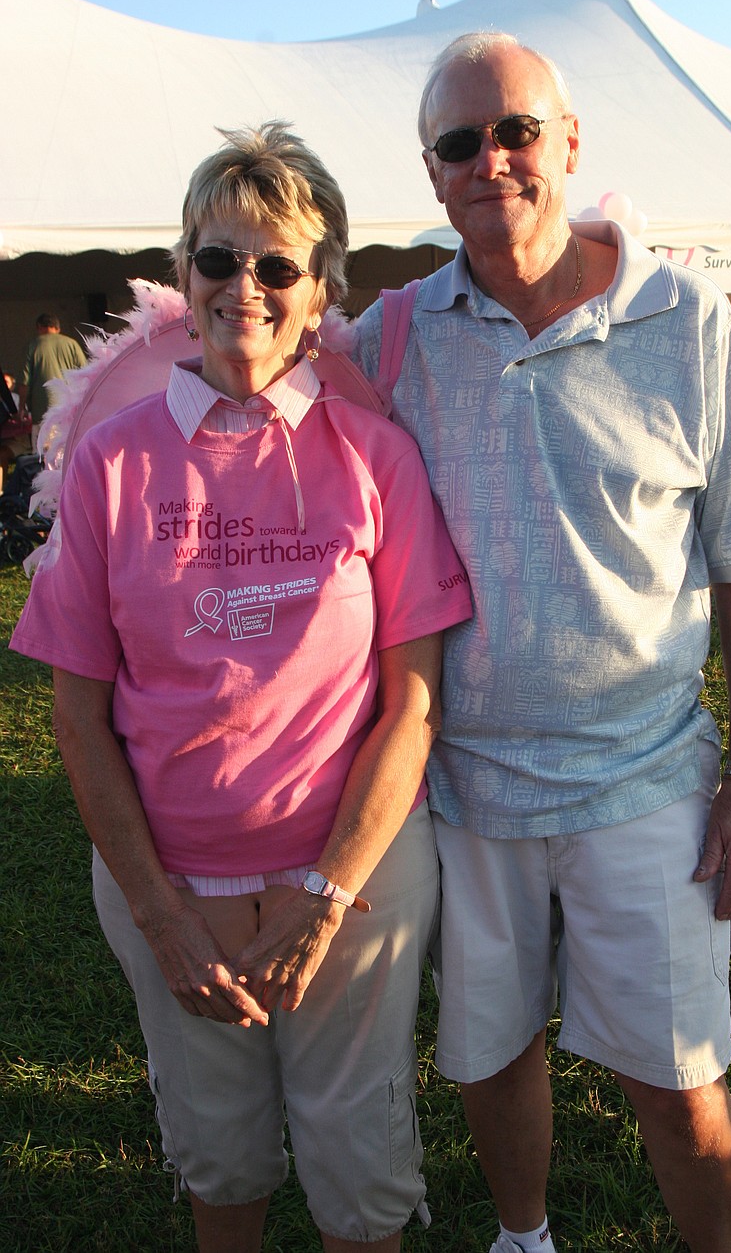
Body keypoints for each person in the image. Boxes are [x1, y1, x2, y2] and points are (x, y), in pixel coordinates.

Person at [353, 31, 731, 1253]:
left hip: (646, 778)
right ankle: (524, 1240)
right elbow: (264, 394)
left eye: (514, 132)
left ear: (567, 143)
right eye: (460, 142)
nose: (491, 160)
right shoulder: (393, 337)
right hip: (462, 788)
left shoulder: (687, 318)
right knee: (490, 1057)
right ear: (434, 173)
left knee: (677, 1083)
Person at [11, 122, 472, 1253]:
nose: (245, 289)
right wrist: (164, 917)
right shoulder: (113, 461)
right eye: (218, 259)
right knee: (218, 1156)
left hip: (355, 884)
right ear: (182, 275)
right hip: (169, 885)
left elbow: (412, 702)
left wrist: (322, 896)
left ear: (321, 290)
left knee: (360, 1165)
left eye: (278, 265)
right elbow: (76, 711)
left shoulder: (377, 456)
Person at [19, 313, 87, 445]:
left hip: (43, 412)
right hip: (70, 411)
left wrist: (22, 407)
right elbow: (86, 375)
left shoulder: (33, 346)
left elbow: (24, 382)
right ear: (57, 328)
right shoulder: (72, 344)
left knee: (44, 457)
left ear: (39, 327)